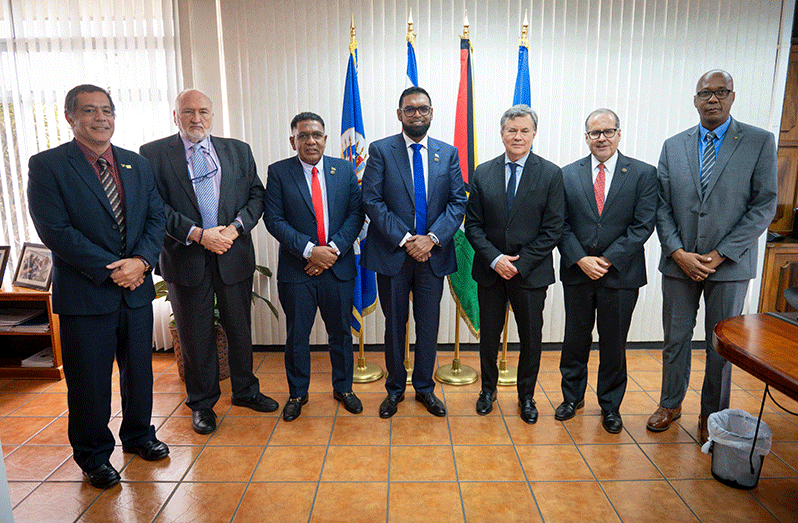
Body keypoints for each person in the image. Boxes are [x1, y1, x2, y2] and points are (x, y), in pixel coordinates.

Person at [27, 84, 168, 489]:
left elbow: (155, 218)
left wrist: (141, 262)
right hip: (87, 295)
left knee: (140, 374)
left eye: (107, 110)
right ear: (71, 118)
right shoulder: (49, 165)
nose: (101, 117)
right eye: (90, 111)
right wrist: (111, 270)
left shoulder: (135, 164)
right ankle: (93, 456)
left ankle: (139, 435)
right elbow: (55, 229)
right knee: (89, 384)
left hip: (136, 290)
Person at [648, 70, 777, 444]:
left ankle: (713, 414)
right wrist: (678, 252)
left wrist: (720, 254)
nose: (712, 99)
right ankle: (670, 404)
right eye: (705, 93)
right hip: (679, 264)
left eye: (721, 92)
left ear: (733, 96)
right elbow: (661, 206)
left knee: (722, 344)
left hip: (730, 266)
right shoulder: (674, 146)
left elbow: (764, 205)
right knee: (675, 338)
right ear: (695, 99)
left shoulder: (758, 141)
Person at [140, 89, 278, 435]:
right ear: (176, 116)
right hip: (186, 258)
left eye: (203, 111)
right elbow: (155, 206)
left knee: (239, 329)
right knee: (194, 335)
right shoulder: (153, 154)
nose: (196, 118)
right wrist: (199, 235)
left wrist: (233, 230)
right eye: (188, 112)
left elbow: (256, 196)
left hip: (233, 254)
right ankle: (202, 404)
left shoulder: (238, 150)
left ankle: (246, 391)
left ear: (212, 116)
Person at [361, 86, 467, 418]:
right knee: (394, 325)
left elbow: (457, 202)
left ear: (432, 113)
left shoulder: (447, 153)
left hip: (432, 256)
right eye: (410, 109)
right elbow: (372, 201)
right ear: (399, 114)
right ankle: (394, 390)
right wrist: (408, 239)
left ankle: (424, 389)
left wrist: (431, 239)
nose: (417, 114)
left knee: (427, 323)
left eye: (423, 109)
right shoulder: (380, 151)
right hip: (393, 254)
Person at [556, 109, 657, 433]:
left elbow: (643, 225)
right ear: (586, 137)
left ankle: (610, 406)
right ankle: (572, 398)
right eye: (595, 133)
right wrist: (581, 258)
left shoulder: (643, 174)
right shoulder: (567, 174)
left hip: (620, 276)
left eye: (608, 131)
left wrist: (609, 259)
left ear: (619, 133)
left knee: (613, 344)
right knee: (575, 339)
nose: (602, 138)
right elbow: (559, 224)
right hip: (578, 272)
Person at [465, 104, 564, 424]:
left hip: (530, 274)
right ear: (502, 133)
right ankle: (487, 391)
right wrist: (495, 259)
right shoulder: (484, 172)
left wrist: (519, 265)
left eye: (524, 130)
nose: (517, 136)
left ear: (534, 134)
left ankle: (527, 397)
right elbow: (473, 225)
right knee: (489, 337)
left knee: (531, 339)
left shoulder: (551, 173)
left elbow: (553, 228)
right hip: (490, 272)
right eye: (512, 130)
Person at [264, 112, 365, 421]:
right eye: (303, 135)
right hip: (298, 271)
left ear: (325, 138)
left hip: (338, 267)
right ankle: (297, 393)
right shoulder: (279, 172)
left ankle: (344, 388)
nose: (311, 140)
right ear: (293, 140)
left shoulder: (345, 169)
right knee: (297, 335)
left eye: (316, 134)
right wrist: (310, 252)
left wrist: (330, 251)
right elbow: (274, 220)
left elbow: (355, 214)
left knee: (340, 334)